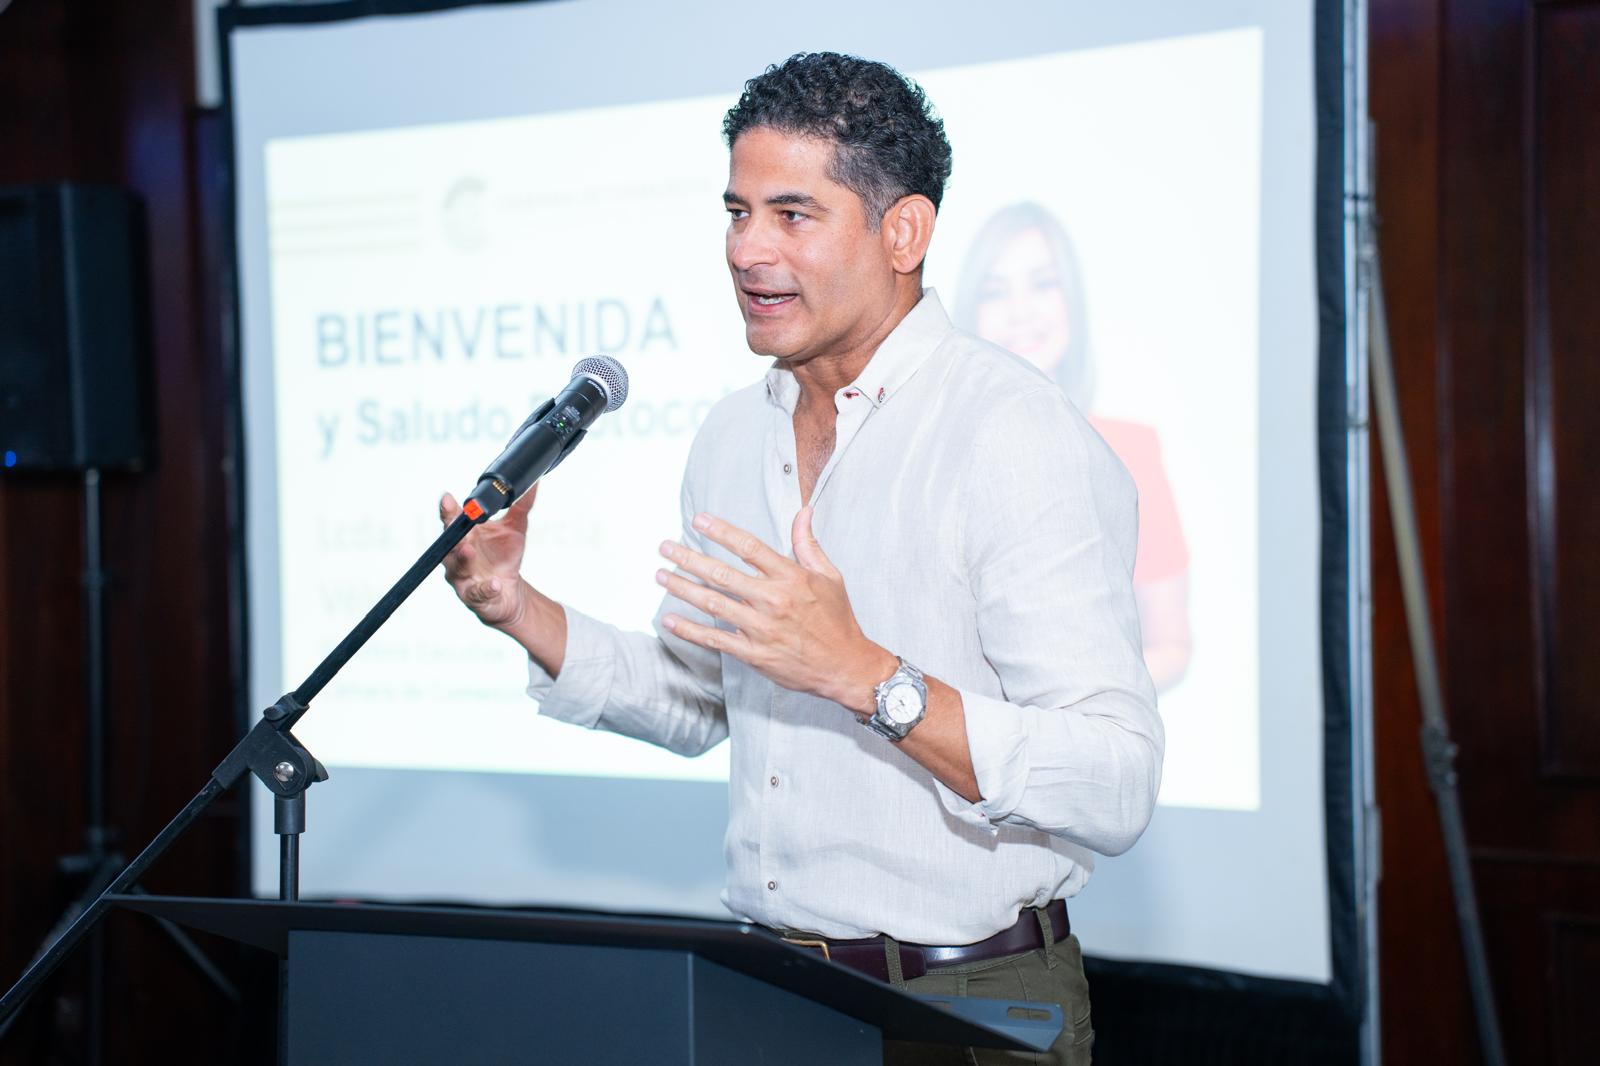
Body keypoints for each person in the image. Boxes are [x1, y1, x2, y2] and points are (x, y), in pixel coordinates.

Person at [440, 53, 1162, 1066]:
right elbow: (704, 699)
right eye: (737, 213)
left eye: (792, 215)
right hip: (768, 990)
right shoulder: (733, 435)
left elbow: (1115, 782)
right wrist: (517, 605)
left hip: (969, 1004)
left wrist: (864, 675)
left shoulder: (1013, 434)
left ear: (902, 232)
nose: (747, 250)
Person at [953, 203, 1193, 692]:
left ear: (1073, 303)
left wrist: (1071, 708)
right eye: (996, 292)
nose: (1021, 312)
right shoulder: (935, 452)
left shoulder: (1129, 451)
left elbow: (1171, 645)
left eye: (1043, 284)